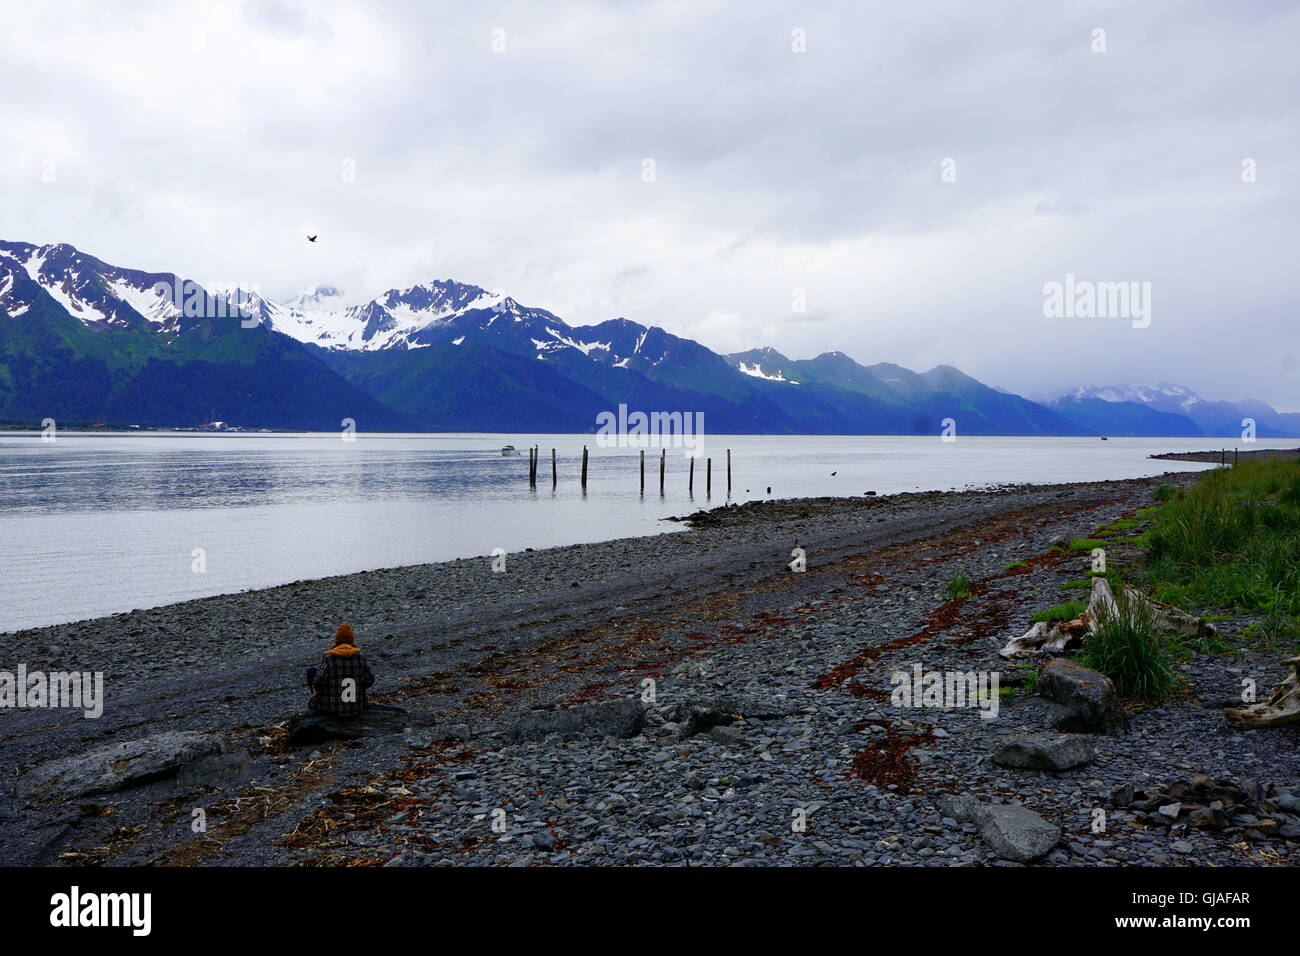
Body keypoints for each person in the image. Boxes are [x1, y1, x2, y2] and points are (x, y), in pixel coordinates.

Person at [306, 624, 375, 716]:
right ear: (352, 640)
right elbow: (369, 680)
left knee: (311, 671)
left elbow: (317, 683)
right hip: (357, 707)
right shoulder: (360, 657)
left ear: (337, 640)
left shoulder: (329, 658)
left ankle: (316, 698)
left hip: (332, 708)